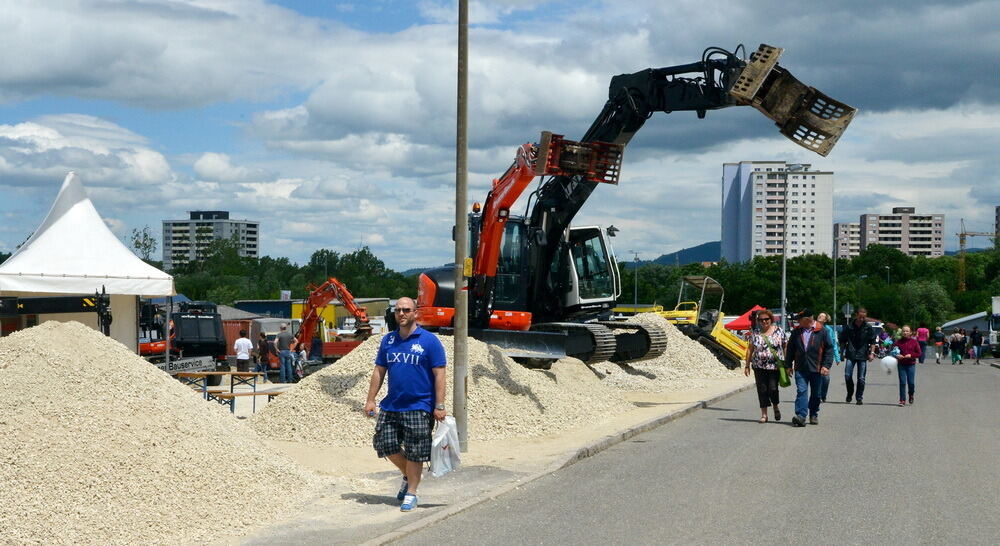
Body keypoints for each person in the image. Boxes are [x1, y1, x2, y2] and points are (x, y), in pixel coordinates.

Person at [363, 297, 447, 512]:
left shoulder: (429, 341)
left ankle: (411, 492)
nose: (401, 313)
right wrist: (371, 399)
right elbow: (379, 370)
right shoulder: (388, 341)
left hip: (419, 405)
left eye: (406, 310)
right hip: (392, 405)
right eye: (398, 310)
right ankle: (408, 476)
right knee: (384, 444)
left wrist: (439, 405)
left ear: (415, 312)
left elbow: (439, 374)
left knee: (415, 451)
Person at [785, 308, 834, 427]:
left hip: (817, 368)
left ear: (807, 320)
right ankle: (801, 416)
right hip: (800, 368)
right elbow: (791, 349)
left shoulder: (822, 331)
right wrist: (788, 365)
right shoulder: (796, 332)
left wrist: (826, 366)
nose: (798, 322)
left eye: (799, 320)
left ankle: (813, 414)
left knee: (816, 393)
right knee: (801, 391)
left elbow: (829, 349)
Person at [743, 309, 786, 423]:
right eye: (761, 320)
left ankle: (775, 406)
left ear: (771, 319)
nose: (764, 322)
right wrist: (747, 365)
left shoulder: (779, 331)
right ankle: (764, 414)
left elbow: (785, 346)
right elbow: (750, 349)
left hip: (774, 366)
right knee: (762, 390)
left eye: (766, 319)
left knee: (773, 388)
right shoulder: (755, 333)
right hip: (759, 366)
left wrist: (787, 363)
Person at [839, 307, 877, 405]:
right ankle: (850, 393)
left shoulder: (868, 328)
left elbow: (872, 341)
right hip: (851, 354)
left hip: (862, 354)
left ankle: (859, 397)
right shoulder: (849, 327)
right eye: (860, 317)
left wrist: (872, 353)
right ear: (856, 315)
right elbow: (842, 340)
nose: (861, 319)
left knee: (861, 378)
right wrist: (841, 353)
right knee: (847, 375)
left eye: (864, 318)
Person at [815, 312, 841, 403]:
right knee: (816, 377)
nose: (819, 316)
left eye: (822, 316)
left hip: (826, 356)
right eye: (819, 315)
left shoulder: (829, 330)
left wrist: (837, 357)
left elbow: (833, 345)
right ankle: (816, 395)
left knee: (825, 378)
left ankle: (823, 395)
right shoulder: (812, 327)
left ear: (825, 320)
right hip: (815, 357)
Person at [893, 325, 921, 406]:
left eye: (907, 331)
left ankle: (911, 394)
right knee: (902, 382)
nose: (905, 332)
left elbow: (919, 353)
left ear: (910, 332)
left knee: (911, 383)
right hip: (901, 364)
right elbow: (893, 351)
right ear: (901, 332)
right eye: (904, 331)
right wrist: (897, 355)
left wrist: (911, 355)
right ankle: (902, 400)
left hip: (911, 364)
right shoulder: (898, 342)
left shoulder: (914, 342)